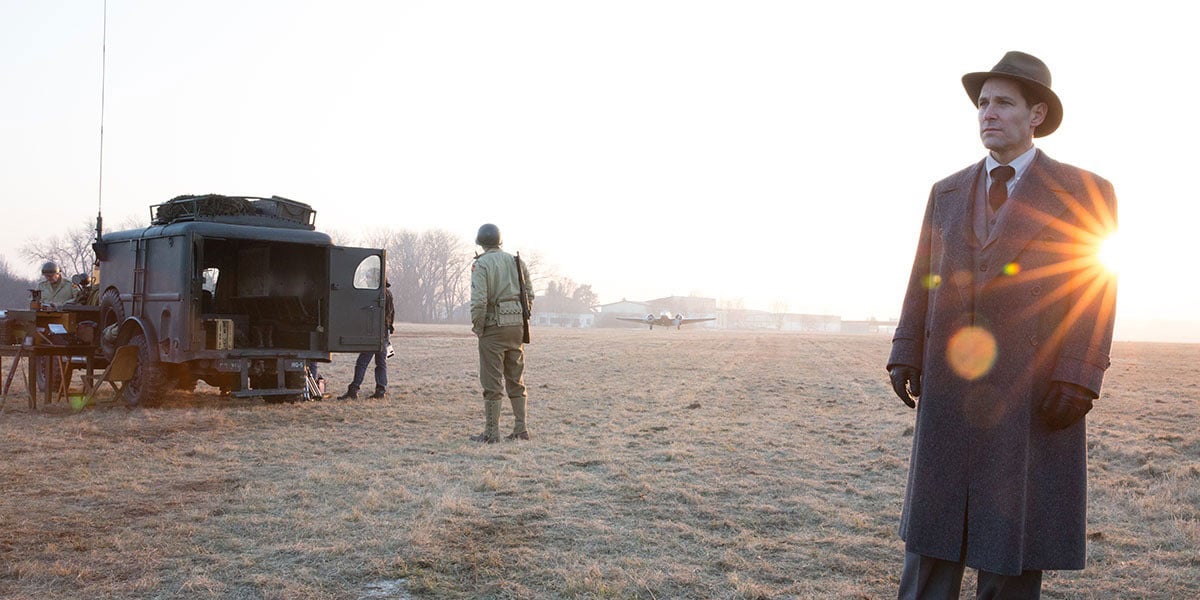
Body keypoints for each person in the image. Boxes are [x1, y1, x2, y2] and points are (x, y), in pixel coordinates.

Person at [887, 51, 1118, 599]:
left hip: (1028, 390)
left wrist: (1079, 374)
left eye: (1003, 103)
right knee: (931, 544)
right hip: (949, 388)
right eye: (983, 103)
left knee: (1008, 549)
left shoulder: (1085, 192)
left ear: (1036, 115)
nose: (988, 112)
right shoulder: (945, 191)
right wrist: (905, 349)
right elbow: (923, 276)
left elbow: (1095, 285)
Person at [469, 223, 533, 443]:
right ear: (499, 240)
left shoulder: (482, 264)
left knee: (492, 381)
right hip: (517, 328)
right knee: (516, 378)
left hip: (493, 328)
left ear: (480, 243)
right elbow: (530, 295)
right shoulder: (517, 262)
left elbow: (479, 301)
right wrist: (521, 319)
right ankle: (521, 429)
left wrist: (478, 327)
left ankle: (491, 433)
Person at [336, 280, 394, 400]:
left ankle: (354, 389)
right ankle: (381, 389)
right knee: (381, 363)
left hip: (374, 332)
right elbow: (391, 314)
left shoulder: (376, 294)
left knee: (362, 362)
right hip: (384, 331)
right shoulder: (388, 294)